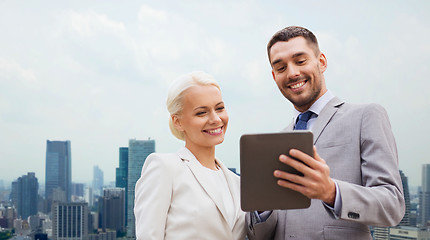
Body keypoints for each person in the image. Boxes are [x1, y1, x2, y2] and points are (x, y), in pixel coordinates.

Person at [245, 26, 405, 240]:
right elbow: (261, 235)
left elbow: (392, 205)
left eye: (300, 61)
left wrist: (331, 192)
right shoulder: (276, 142)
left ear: (321, 62)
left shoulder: (365, 116)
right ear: (274, 76)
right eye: (281, 67)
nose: (292, 73)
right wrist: (262, 208)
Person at [134, 71, 246, 240]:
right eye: (201, 112)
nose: (216, 119)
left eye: (220, 108)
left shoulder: (237, 183)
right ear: (177, 121)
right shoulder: (165, 168)